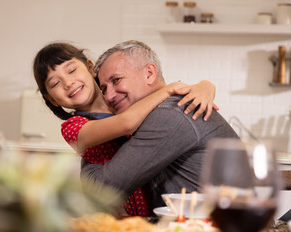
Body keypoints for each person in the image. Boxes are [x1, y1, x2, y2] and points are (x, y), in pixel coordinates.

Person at [33, 42, 218, 216]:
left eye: (72, 70)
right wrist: (169, 89)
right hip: (118, 209)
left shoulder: (124, 105)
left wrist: (206, 86)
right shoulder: (73, 127)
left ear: (90, 67)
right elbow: (127, 123)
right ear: (52, 99)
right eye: (55, 83)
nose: (68, 82)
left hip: (149, 205)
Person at [81, 40, 240, 211]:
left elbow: (101, 191)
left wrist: (87, 139)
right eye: (104, 89)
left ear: (149, 73)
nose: (109, 96)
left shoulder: (170, 114)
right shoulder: (164, 111)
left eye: (117, 80)